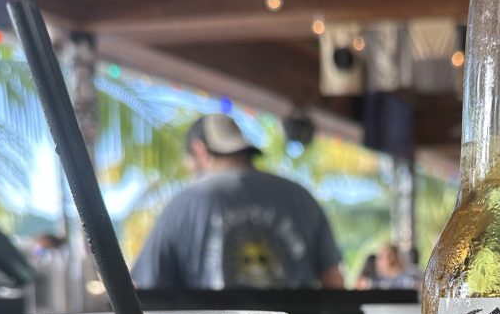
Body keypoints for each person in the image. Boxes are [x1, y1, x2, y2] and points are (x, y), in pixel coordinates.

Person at [131, 114, 344, 290]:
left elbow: (147, 289)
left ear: (199, 150)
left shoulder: (183, 204)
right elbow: (333, 281)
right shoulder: (301, 197)